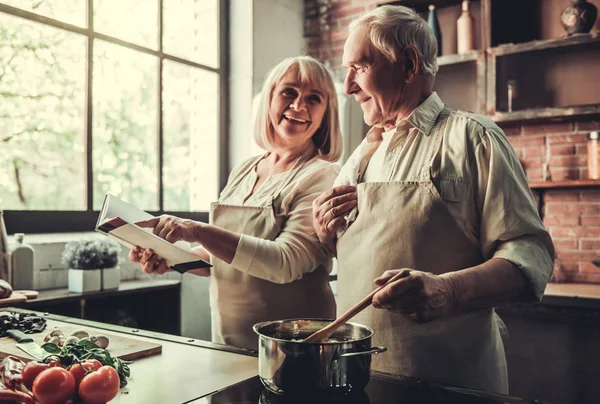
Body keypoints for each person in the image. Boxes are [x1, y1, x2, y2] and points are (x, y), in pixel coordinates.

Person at [312, 5, 555, 394]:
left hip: (449, 383)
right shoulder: (363, 154)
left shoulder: (473, 137)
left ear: (408, 65)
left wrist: (448, 291)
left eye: (358, 68)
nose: (348, 87)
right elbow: (374, 252)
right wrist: (329, 237)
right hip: (361, 379)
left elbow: (531, 256)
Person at [130, 56, 342, 350]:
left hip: (294, 348)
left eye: (313, 98)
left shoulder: (322, 175)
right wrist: (172, 260)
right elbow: (219, 259)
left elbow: (284, 263)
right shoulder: (245, 169)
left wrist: (198, 230)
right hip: (228, 342)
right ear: (269, 99)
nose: (298, 106)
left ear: (325, 113)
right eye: (289, 92)